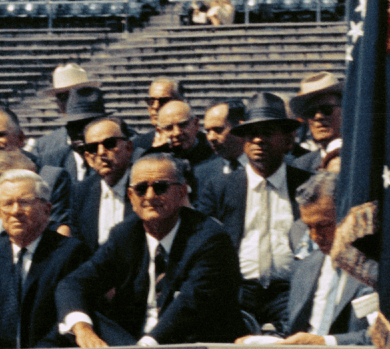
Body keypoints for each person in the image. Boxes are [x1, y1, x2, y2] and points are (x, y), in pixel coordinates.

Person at [56, 154, 247, 346]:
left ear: (181, 192)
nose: (149, 196)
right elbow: (74, 283)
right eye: (140, 189)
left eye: (160, 187)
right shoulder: (125, 234)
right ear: (131, 197)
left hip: (191, 339)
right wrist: (82, 329)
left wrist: (146, 345)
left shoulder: (210, 237)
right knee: (69, 325)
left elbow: (190, 304)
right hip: (133, 338)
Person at [195, 93, 313, 329]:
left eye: (268, 133)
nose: (259, 140)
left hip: (290, 290)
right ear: (243, 140)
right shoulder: (219, 187)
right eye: (252, 134)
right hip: (238, 290)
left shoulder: (307, 185)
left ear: (288, 140)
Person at [0, 170, 92, 349]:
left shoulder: (70, 254)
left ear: (46, 209)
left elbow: (69, 319)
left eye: (24, 202)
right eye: (7, 203)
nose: (16, 211)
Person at [243, 172, 372, 346]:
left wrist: (324, 342)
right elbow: (291, 331)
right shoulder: (305, 267)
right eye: (309, 227)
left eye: (324, 225)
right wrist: (263, 341)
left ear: (348, 216)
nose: (315, 236)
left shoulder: (377, 271)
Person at [69, 117, 136, 247]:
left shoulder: (145, 187)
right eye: (93, 147)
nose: (101, 152)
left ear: (128, 148)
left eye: (110, 144)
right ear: (88, 158)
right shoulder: (80, 193)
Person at [288, 73, 343, 173]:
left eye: (327, 109)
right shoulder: (300, 166)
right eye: (311, 112)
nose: (318, 117)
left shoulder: (361, 156)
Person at [198, 99, 247, 179]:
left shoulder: (267, 167)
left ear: (240, 127)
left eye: (218, 130)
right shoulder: (201, 174)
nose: (211, 137)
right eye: (207, 131)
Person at [133, 78, 183, 153]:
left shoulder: (199, 142)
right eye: (151, 101)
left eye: (163, 101)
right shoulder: (138, 145)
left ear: (180, 102)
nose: (155, 106)